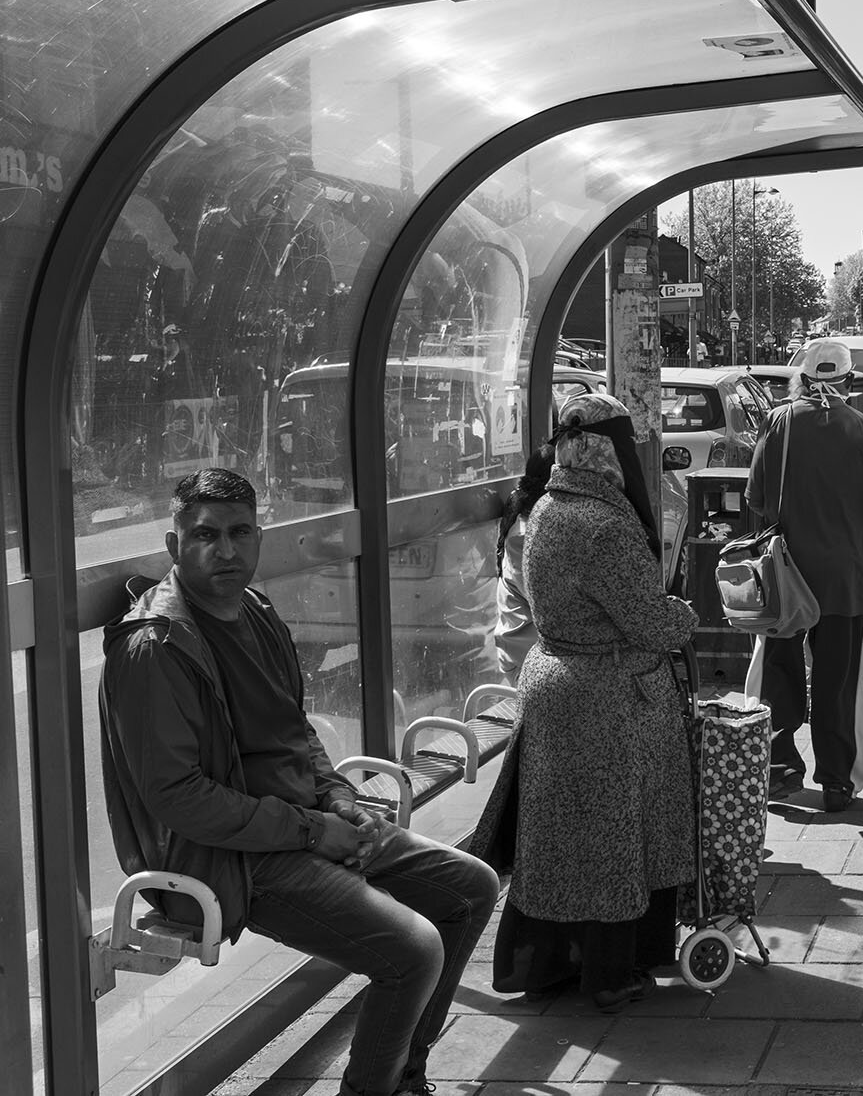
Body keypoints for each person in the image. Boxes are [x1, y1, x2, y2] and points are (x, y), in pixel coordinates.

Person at [99, 469, 499, 1096]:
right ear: (174, 546)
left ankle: (401, 1078)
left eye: (239, 533)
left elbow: (295, 730)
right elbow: (176, 797)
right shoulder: (156, 645)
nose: (225, 551)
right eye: (205, 536)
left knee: (471, 886)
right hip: (232, 859)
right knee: (414, 950)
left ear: (260, 537)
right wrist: (317, 833)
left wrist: (342, 800)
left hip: (304, 824)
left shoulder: (254, 611)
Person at [468, 393, 697, 1010]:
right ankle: (611, 973)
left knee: (562, 840)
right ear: (613, 452)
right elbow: (648, 621)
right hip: (609, 697)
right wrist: (684, 616)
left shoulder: (545, 507)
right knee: (615, 839)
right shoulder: (608, 525)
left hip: (553, 684)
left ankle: (550, 965)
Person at [748, 339, 863, 812]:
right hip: (845, 578)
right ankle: (836, 781)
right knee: (837, 681)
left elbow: (756, 499)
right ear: (847, 381)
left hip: (787, 574)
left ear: (803, 377)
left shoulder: (779, 423)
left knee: (780, 671)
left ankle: (781, 767)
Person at [493, 443, 554, 682]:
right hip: (527, 656)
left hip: (540, 650)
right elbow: (548, 602)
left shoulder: (536, 518)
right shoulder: (525, 534)